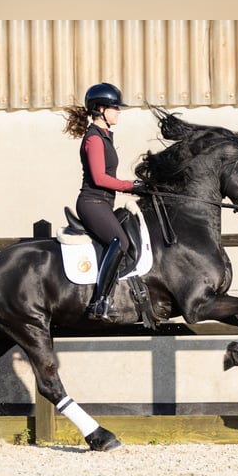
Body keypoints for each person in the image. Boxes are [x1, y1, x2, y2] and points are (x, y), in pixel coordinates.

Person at [63, 82, 141, 320]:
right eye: (114, 107)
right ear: (100, 109)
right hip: (92, 203)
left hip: (103, 203)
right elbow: (99, 177)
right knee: (120, 242)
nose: (118, 111)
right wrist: (131, 186)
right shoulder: (94, 139)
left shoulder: (105, 136)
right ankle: (99, 302)